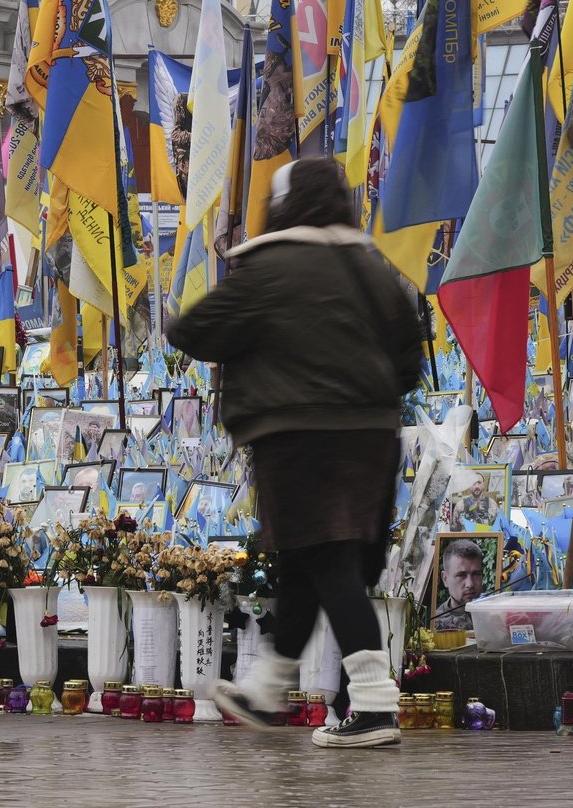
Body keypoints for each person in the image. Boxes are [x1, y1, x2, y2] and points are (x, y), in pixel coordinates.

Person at [170, 157, 423, 749]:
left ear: (285, 206)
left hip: (298, 439)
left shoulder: (271, 268)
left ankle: (376, 704)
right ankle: (268, 689)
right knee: (309, 562)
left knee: (328, 563)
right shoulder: (374, 270)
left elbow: (192, 331)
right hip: (372, 440)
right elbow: (409, 361)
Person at [430, 541, 489, 632]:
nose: (470, 584)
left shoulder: (494, 614)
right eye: (461, 575)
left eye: (476, 574)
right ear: (445, 579)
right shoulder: (434, 624)